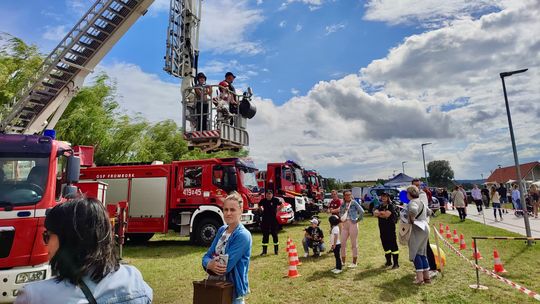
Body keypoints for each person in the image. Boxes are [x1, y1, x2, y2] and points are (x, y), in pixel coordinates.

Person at [15, 197, 152, 304]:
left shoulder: (36, 295)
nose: (44, 243)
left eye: (47, 236)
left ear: (69, 239)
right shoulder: (133, 278)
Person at [203, 192, 252, 304]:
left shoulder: (243, 235)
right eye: (226, 209)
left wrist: (209, 262)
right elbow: (206, 256)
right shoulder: (222, 230)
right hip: (215, 287)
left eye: (232, 210)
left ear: (241, 210)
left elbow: (224, 267)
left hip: (233, 292)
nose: (228, 213)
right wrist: (209, 264)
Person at [405, 185, 430, 284]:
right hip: (425, 227)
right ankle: (426, 277)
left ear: (409, 194)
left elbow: (413, 210)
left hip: (417, 229)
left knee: (415, 253)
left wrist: (411, 219)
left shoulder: (412, 202)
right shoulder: (422, 202)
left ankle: (419, 278)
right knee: (422, 252)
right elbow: (429, 212)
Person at [373, 192, 399, 269]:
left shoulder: (391, 205)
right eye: (382, 196)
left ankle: (396, 263)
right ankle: (388, 261)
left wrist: (380, 214)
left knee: (393, 246)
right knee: (385, 245)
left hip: (390, 229)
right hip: (382, 229)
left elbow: (387, 215)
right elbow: (374, 213)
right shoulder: (380, 205)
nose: (383, 198)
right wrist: (382, 213)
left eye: (385, 196)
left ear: (388, 197)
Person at [339, 190, 363, 268]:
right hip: (345, 225)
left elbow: (362, 212)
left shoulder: (354, 202)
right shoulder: (342, 204)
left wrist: (357, 220)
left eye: (349, 194)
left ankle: (354, 262)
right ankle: (343, 262)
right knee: (342, 243)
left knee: (354, 244)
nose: (348, 196)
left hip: (353, 223)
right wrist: (342, 218)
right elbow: (340, 213)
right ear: (344, 196)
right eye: (346, 195)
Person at [258, 190, 280, 256]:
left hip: (273, 220)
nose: (268, 195)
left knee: (274, 235)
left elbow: (282, 205)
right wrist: (261, 210)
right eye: (267, 194)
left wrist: (277, 211)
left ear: (272, 194)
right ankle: (264, 251)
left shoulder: (275, 200)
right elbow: (259, 205)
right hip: (265, 220)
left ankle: (276, 251)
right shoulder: (263, 200)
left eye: (269, 194)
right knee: (265, 235)